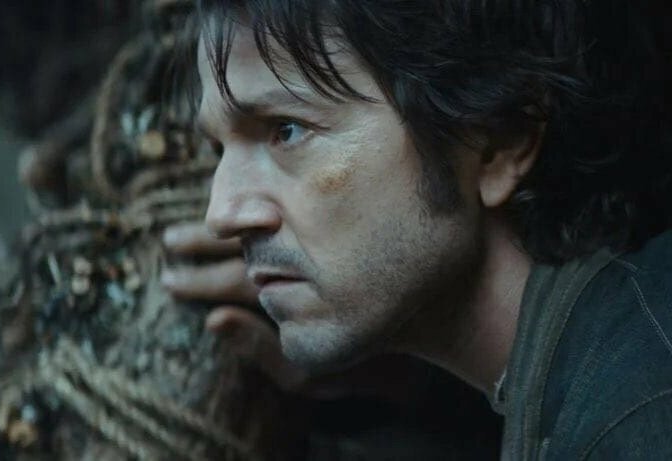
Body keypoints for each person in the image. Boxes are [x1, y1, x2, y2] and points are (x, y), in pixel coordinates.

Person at [162, 0, 672, 458]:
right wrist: (404, 390)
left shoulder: (639, 414)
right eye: (219, 149)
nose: (222, 214)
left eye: (287, 130)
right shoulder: (603, 365)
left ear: (499, 140)